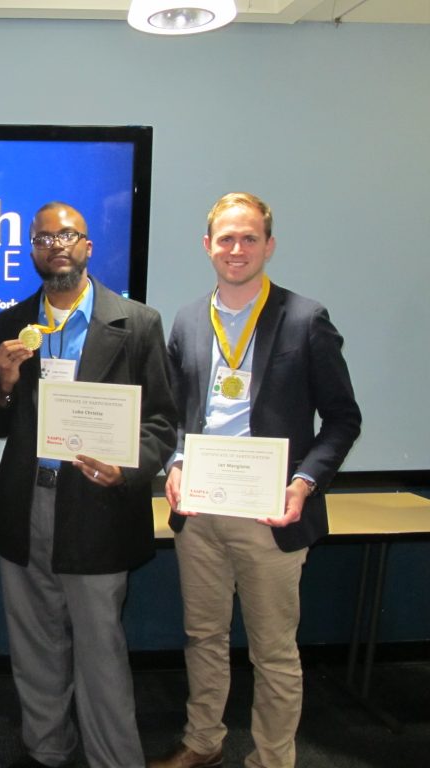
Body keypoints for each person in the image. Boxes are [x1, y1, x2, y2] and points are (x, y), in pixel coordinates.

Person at [149, 192, 361, 768]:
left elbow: (343, 418)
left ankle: (272, 758)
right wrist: (173, 465)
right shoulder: (189, 319)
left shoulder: (305, 318)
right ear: (207, 246)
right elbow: (169, 413)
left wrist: (303, 483)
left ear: (268, 245)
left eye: (248, 238)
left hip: (272, 513)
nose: (236, 249)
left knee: (273, 652)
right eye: (225, 238)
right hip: (201, 510)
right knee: (204, 638)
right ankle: (204, 742)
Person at [0, 201, 177, 768]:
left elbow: (162, 422)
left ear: (88, 246)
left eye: (67, 235)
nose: (56, 245)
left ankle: (115, 759)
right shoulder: (9, 322)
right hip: (26, 502)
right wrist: (8, 382)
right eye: (43, 238)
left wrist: (129, 465)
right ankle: (47, 750)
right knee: (34, 647)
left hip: (98, 504)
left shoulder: (137, 322)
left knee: (101, 651)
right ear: (33, 251)